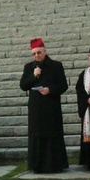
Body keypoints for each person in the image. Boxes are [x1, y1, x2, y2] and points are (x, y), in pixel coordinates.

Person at [20, 38, 69, 173]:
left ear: (45, 51)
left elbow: (63, 85)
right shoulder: (29, 67)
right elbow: (23, 86)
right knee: (37, 136)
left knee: (52, 136)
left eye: (39, 53)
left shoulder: (56, 65)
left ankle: (55, 165)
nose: (37, 56)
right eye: (34, 54)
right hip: (36, 109)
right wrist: (33, 76)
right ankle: (37, 165)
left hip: (51, 107)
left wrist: (50, 90)